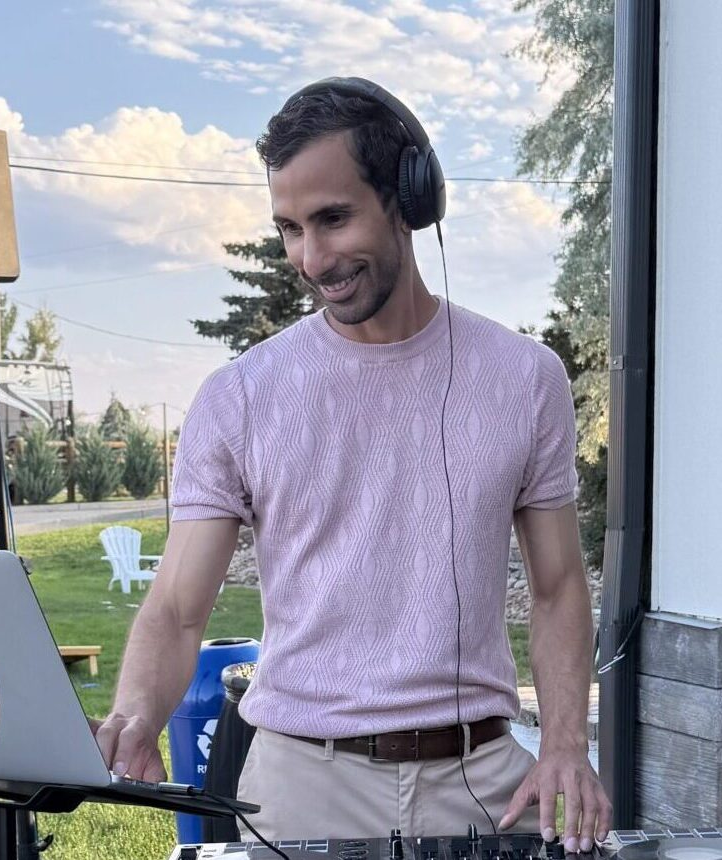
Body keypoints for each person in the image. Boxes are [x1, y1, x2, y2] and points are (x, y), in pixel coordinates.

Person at [94, 78, 611, 847]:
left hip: (481, 775)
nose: (312, 258)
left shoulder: (523, 377)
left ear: (408, 197)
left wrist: (565, 743)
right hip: (300, 781)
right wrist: (136, 709)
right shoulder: (238, 396)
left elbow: (559, 585)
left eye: (332, 219)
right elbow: (177, 607)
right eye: (290, 229)